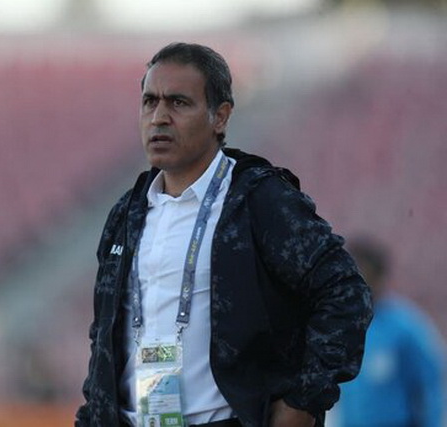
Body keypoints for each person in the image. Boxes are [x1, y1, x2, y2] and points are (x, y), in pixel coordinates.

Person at [76, 42, 373, 427]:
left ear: (220, 116)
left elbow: (346, 293)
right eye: (150, 102)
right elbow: (103, 337)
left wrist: (304, 400)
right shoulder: (127, 212)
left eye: (178, 103)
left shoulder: (258, 199)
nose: (159, 117)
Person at [337, 237, 445, 427]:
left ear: (379, 277)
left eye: (360, 274)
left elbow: (430, 385)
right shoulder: (343, 325)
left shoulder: (405, 327)